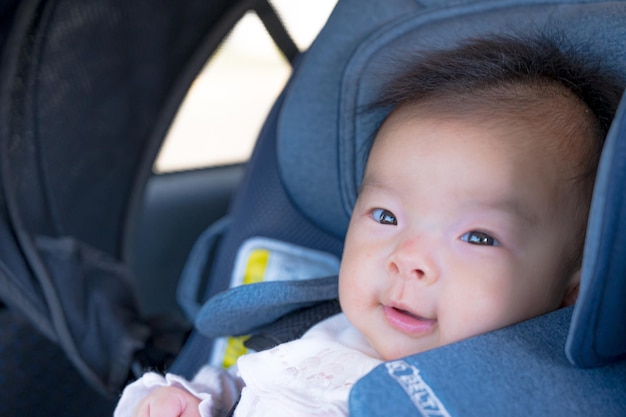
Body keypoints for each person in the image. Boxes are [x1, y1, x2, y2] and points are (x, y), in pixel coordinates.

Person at [114, 33, 624, 417]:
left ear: (571, 291)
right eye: (385, 216)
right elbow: (227, 385)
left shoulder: (526, 395)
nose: (408, 258)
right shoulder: (317, 329)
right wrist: (179, 400)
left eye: (478, 236)